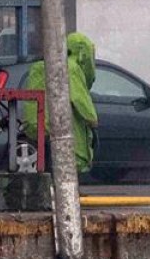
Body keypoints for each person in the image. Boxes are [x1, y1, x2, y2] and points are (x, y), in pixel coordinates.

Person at [23, 32, 99, 173]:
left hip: (37, 125)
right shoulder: (71, 68)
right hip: (58, 125)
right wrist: (92, 118)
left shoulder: (41, 66)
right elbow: (79, 98)